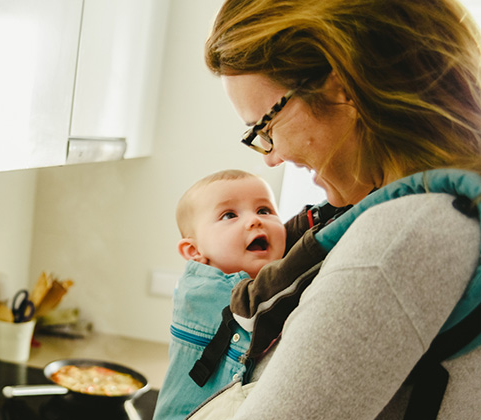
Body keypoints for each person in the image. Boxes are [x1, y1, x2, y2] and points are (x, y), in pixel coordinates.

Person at [194, 0, 481, 418]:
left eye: (266, 127)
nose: (271, 157)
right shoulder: (444, 206)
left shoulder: (398, 239)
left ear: (341, 83)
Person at [153, 169, 287, 420]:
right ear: (194, 250)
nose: (254, 221)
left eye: (264, 210)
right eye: (229, 215)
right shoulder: (199, 291)